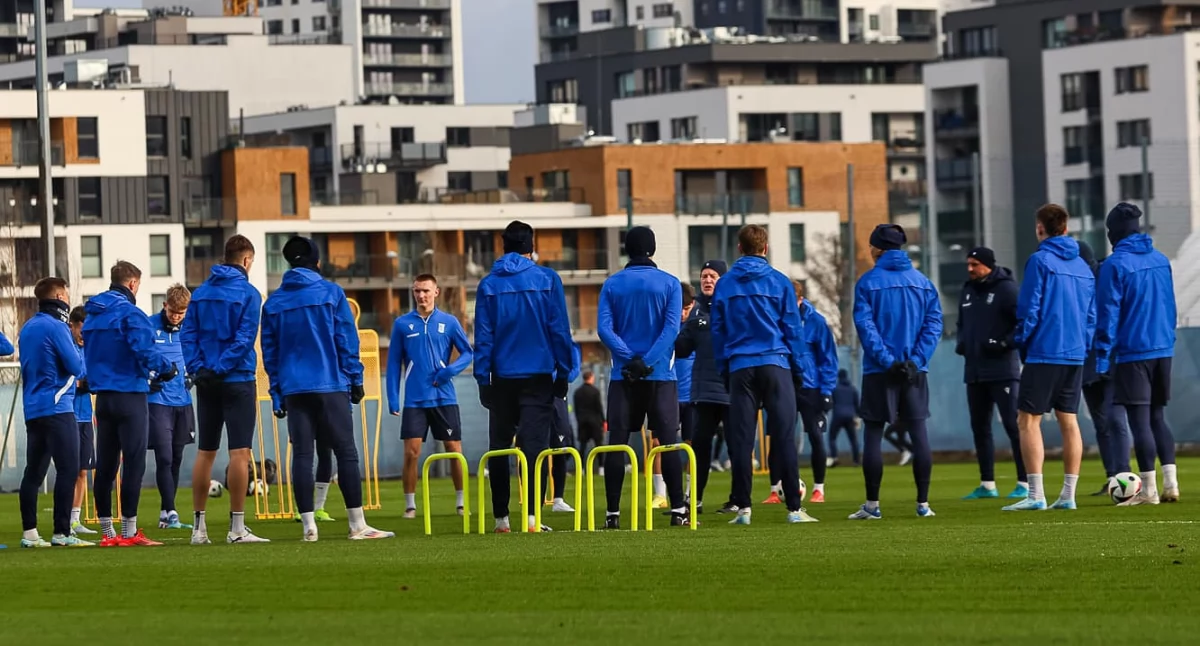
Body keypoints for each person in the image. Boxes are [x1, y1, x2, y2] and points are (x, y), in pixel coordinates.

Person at [263, 236, 392, 541]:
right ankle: (357, 525)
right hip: (330, 383)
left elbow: (270, 353)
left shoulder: (274, 302)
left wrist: (277, 392)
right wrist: (356, 378)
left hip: (294, 388)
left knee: (303, 456)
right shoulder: (332, 293)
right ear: (317, 263)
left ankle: (309, 525)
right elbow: (346, 339)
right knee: (346, 452)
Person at [474, 220, 575, 533]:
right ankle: (532, 518)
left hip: (502, 376)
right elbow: (558, 328)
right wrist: (564, 370)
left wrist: (482, 378)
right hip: (539, 375)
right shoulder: (547, 279)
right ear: (532, 246)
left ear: (503, 246)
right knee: (534, 448)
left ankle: (501, 519)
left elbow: (483, 335)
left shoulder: (489, 284)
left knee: (500, 448)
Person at [711, 225, 815, 525]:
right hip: (775, 363)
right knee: (783, 437)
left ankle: (743, 509)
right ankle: (794, 509)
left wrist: (723, 367)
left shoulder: (725, 285)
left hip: (740, 366)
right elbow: (793, 330)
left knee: (742, 440)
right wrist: (800, 369)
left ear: (739, 248)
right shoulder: (780, 282)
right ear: (765, 248)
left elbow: (718, 331)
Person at [1003, 204, 1095, 512]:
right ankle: (1068, 495)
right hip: (1075, 353)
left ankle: (1036, 495)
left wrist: (1019, 341)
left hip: (1045, 350)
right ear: (1066, 228)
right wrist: (1084, 344)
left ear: (1040, 228)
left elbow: (1030, 308)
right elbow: (1092, 314)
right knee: (1069, 421)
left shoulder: (1039, 260)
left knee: (1028, 420)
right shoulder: (1083, 265)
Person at [850, 224, 943, 520]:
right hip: (915, 371)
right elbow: (933, 325)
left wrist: (887, 360)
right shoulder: (923, 282)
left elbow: (866, 328)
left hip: (880, 371)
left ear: (877, 248)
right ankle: (923, 504)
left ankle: (873, 505)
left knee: (874, 435)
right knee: (918, 433)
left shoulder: (867, 283)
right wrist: (915, 360)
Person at [597, 226, 687, 529]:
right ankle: (678, 510)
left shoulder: (611, 284)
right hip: (660, 374)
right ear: (653, 248)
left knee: (617, 443)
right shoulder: (670, 284)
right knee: (667, 443)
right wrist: (647, 361)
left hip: (624, 376)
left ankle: (612, 514)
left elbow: (604, 329)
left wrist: (629, 358)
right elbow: (671, 329)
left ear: (626, 248)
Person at [84, 261, 178, 546]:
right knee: (134, 461)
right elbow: (145, 351)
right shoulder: (130, 314)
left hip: (103, 398)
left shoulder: (92, 316)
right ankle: (129, 531)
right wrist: (167, 368)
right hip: (130, 394)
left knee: (107, 463)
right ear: (133, 283)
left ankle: (106, 532)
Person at [181, 235, 267, 544]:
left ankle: (198, 529)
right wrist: (220, 367)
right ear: (246, 260)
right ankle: (236, 529)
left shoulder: (201, 293)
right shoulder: (249, 293)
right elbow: (244, 338)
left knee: (205, 452)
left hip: (206, 381)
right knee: (240, 453)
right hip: (237, 378)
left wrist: (198, 366)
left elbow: (187, 334)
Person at [1094, 203, 1179, 504]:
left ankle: (1149, 492)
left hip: (1133, 351)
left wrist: (1103, 359)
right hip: (1162, 348)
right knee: (1158, 416)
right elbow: (1170, 305)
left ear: (1113, 232)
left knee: (1139, 420)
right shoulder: (1160, 259)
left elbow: (1107, 314)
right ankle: (1171, 483)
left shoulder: (1115, 265)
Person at [386, 273, 473, 519]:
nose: (421, 295)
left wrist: (449, 372)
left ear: (436, 292)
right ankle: (410, 506)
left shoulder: (450, 322)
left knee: (454, 449)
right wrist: (393, 398)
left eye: (425, 290)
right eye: (417, 291)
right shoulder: (402, 324)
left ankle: (460, 502)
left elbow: (468, 353)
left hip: (445, 398)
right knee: (411, 452)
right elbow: (393, 364)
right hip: (414, 400)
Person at [18, 278, 90, 547]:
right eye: (67, 294)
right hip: (58, 407)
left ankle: (30, 534)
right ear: (59, 295)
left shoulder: (27, 327)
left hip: (33, 408)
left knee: (34, 473)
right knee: (69, 469)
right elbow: (75, 367)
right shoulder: (57, 327)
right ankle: (62, 533)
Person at [955, 246, 1027, 500]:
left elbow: (1022, 323)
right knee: (980, 428)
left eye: (975, 264)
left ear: (988, 265)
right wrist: (962, 341)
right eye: (968, 264)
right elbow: (961, 324)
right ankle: (988, 484)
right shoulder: (967, 290)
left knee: (1013, 426)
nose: (970, 269)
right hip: (974, 371)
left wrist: (1004, 344)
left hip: (1002, 370)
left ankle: (1024, 482)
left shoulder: (1006, 289)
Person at [765, 280, 837, 505]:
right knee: (778, 437)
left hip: (811, 388)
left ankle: (819, 489)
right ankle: (775, 490)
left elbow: (828, 359)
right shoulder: (775, 320)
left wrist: (826, 391)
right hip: (784, 385)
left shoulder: (817, 322)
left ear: (799, 299)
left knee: (815, 436)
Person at [675, 259, 732, 514]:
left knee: (737, 447)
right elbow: (683, 347)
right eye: (704, 275)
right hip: (703, 391)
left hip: (731, 389)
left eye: (713, 276)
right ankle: (694, 500)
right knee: (700, 447)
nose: (707, 280)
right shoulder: (696, 310)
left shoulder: (733, 306)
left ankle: (740, 500)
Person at [1077, 242, 1132, 496]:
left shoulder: (1105, 279)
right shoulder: (1076, 282)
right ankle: (1112, 477)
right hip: (1087, 362)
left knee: (1114, 417)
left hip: (1110, 359)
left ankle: (1123, 474)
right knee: (1101, 422)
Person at [147, 284, 195, 530]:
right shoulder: (148, 325)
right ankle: (172, 511)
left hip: (182, 401)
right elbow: (138, 354)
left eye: (181, 312)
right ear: (165, 305)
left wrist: (193, 374)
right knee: (164, 457)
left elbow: (198, 354)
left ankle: (166, 513)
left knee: (176, 457)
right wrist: (149, 378)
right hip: (158, 402)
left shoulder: (190, 328)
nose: (176, 316)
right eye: (173, 311)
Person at [67, 306, 98, 536]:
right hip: (67, 415)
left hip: (86, 415)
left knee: (83, 471)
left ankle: (75, 520)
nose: (84, 335)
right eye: (81, 329)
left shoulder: (91, 350)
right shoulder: (65, 347)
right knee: (67, 469)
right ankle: (63, 519)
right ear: (73, 325)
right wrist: (80, 384)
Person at [546, 343, 583, 513]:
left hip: (557, 398)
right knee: (534, 449)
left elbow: (573, 371)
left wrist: (554, 376)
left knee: (560, 449)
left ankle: (558, 499)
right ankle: (534, 502)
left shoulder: (570, 345)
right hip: (533, 396)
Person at [827, 369, 860, 467]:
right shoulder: (853, 389)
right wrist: (857, 417)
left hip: (838, 416)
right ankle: (856, 460)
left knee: (832, 438)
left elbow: (831, 402)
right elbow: (857, 405)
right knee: (853, 440)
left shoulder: (835, 389)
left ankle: (834, 457)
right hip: (850, 416)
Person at [573, 370, 605, 470]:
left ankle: (581, 468)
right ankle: (601, 467)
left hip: (582, 421)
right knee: (598, 445)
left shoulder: (577, 392)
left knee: (582, 446)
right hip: (595, 421)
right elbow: (599, 407)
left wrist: (579, 420)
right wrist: (603, 421)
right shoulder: (595, 391)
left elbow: (576, 408)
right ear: (591, 377)